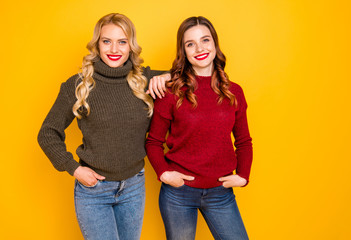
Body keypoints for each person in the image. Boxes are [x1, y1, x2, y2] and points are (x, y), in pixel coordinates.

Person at [38, 13, 169, 240]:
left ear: (131, 45)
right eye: (107, 41)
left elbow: (198, 74)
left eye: (122, 41)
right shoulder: (79, 85)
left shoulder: (144, 79)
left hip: (133, 188)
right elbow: (47, 133)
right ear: (97, 45)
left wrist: (168, 76)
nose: (114, 49)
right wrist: (74, 169)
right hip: (94, 192)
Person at [146, 16, 253, 240]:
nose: (199, 48)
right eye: (190, 44)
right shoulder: (170, 92)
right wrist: (164, 173)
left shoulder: (234, 92)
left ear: (215, 44)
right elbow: (153, 142)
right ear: (183, 51)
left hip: (220, 194)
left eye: (205, 40)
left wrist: (243, 175)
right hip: (178, 194)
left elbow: (243, 141)